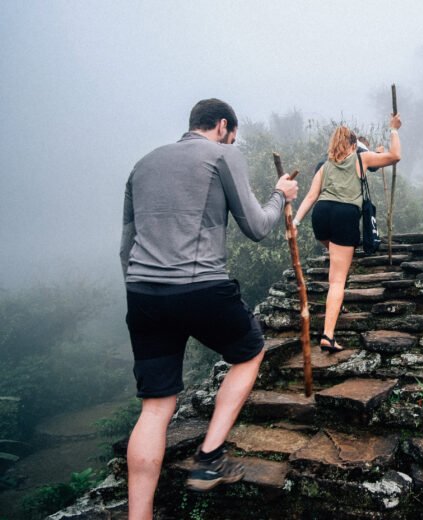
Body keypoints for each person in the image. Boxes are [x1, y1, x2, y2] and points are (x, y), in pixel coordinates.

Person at [119, 98, 298, 519]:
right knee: (250, 350)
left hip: (142, 291)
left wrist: (142, 288)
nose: (232, 140)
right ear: (223, 126)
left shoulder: (142, 164)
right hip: (199, 285)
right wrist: (280, 194)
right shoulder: (223, 154)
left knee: (156, 407)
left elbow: (126, 246)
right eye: (232, 134)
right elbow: (256, 227)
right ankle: (211, 456)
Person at [292, 114, 402, 353]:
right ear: (353, 145)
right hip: (344, 215)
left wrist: (295, 221)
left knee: (336, 261)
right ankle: (328, 336)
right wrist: (393, 130)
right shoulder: (360, 159)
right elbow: (395, 156)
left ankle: (335, 303)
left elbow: (311, 196)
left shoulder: (324, 166)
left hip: (320, 215)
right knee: (338, 280)